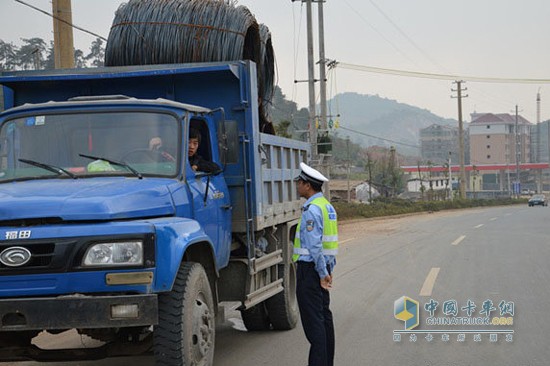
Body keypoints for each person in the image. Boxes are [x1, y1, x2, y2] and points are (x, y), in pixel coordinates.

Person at [293, 162, 338, 366]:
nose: (297, 186)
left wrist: (321, 273)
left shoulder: (311, 210)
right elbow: (330, 245)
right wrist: (327, 271)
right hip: (321, 270)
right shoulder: (327, 207)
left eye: (299, 183)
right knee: (324, 320)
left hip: (309, 272)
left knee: (314, 326)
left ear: (308, 186)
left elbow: (314, 246)